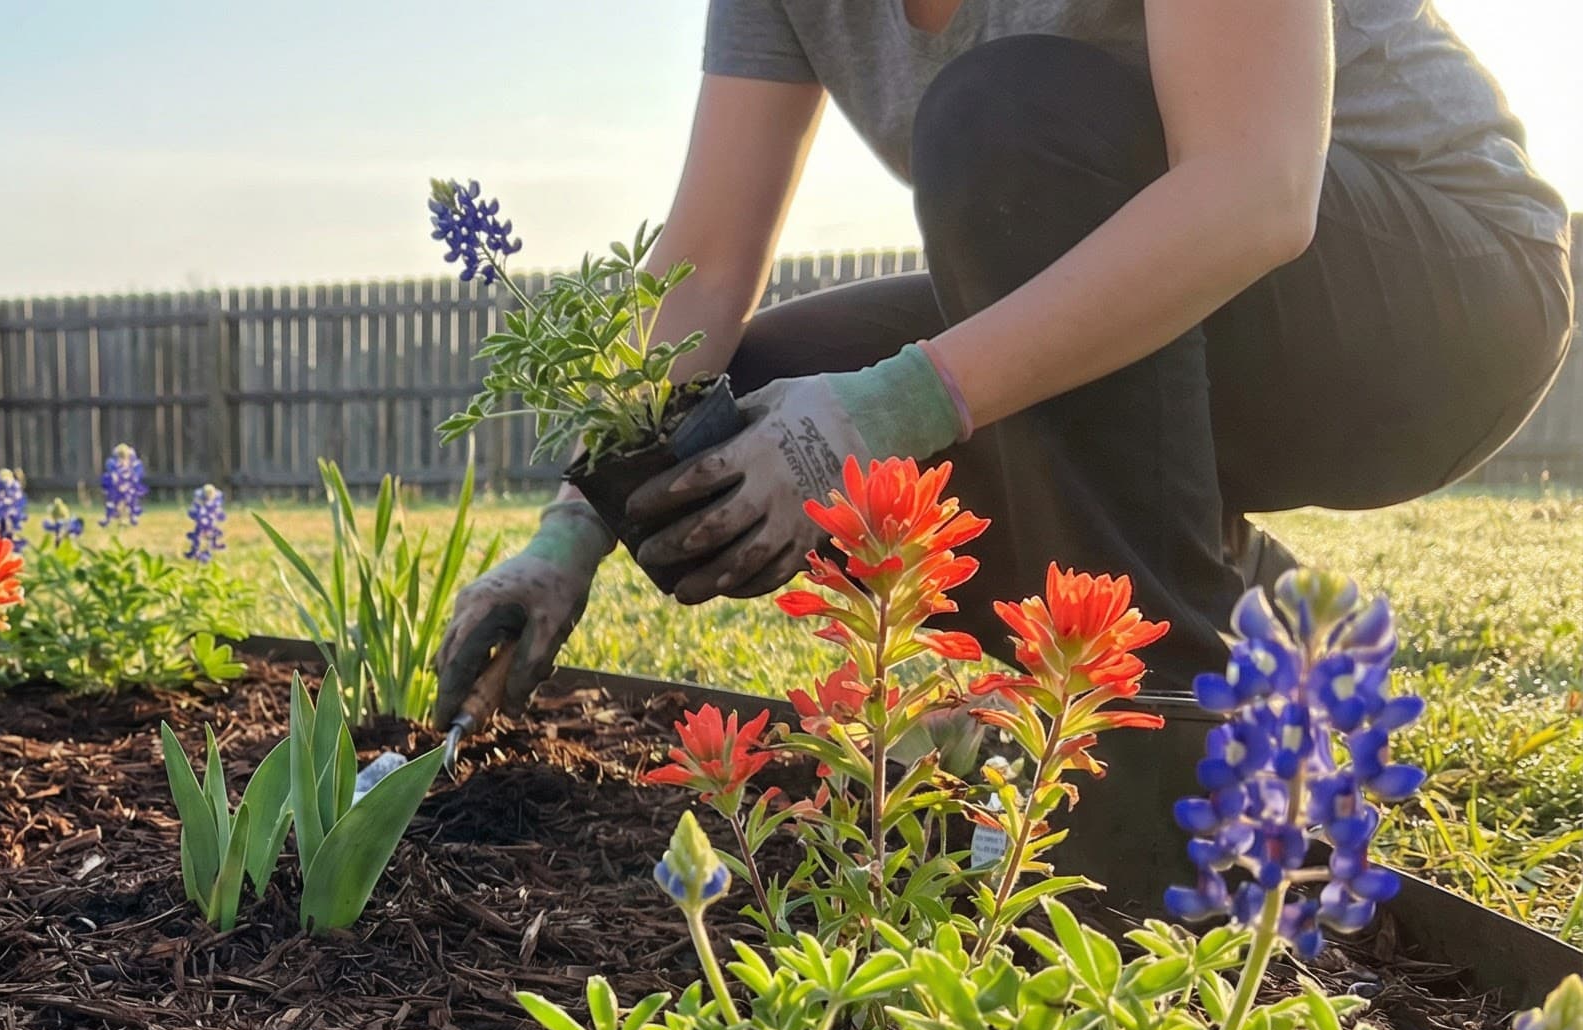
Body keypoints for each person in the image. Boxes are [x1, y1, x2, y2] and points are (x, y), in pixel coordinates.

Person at [434, 0, 1572, 722]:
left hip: (1437, 296)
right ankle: (1275, 639)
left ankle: (1164, 743)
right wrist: (577, 524)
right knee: (739, 409)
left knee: (1005, 116)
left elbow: (1256, 191)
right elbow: (701, 280)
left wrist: (883, 412)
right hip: (1181, 311)